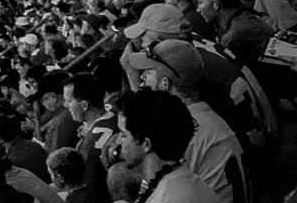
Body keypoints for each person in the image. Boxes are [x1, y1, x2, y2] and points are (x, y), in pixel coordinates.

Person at [128, 39, 247, 203]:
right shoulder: (206, 117)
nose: (142, 76)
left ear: (164, 84)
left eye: (149, 72)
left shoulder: (175, 129)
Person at [115, 90, 218, 203]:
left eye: (123, 135)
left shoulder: (170, 198)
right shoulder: (178, 182)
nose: (118, 141)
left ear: (146, 144)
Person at [64, 73, 116, 203]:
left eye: (69, 101)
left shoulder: (89, 146)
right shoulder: (114, 110)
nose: (65, 105)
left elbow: (85, 191)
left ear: (84, 105)